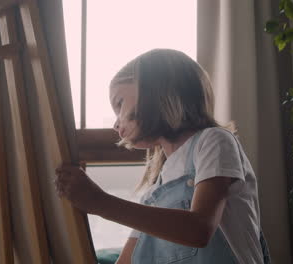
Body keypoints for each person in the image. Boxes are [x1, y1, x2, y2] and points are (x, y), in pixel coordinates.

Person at [55, 49, 270, 264]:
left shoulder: (214, 141)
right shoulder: (153, 194)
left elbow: (199, 229)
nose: (116, 123)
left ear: (155, 90)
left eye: (119, 103)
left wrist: (99, 202)